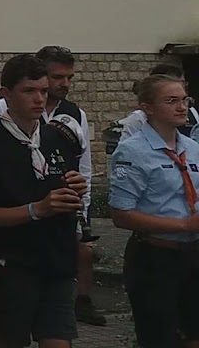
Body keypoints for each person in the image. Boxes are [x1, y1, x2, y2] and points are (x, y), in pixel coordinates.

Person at [0, 53, 86, 348]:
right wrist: (37, 209)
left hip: (57, 259)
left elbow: (66, 186)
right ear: (6, 94)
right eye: (29, 91)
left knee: (58, 341)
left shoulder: (59, 138)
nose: (39, 99)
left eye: (44, 91)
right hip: (12, 263)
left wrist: (77, 189)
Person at [109, 73, 199, 348]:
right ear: (148, 108)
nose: (181, 107)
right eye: (171, 101)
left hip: (194, 255)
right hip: (156, 256)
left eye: (184, 100)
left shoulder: (193, 148)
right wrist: (183, 226)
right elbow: (121, 214)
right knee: (160, 336)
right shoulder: (132, 151)